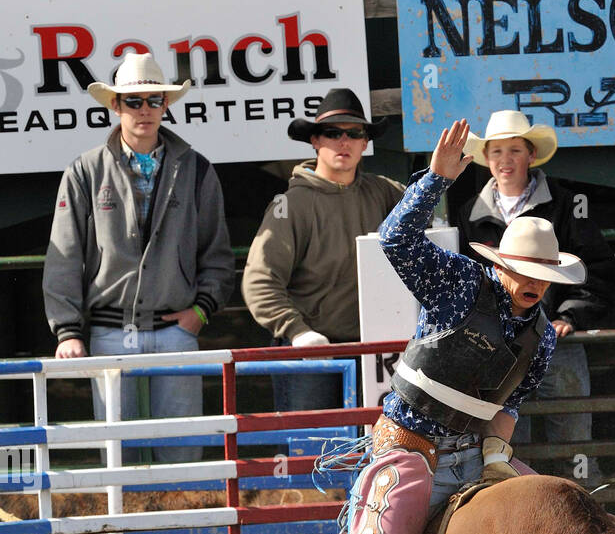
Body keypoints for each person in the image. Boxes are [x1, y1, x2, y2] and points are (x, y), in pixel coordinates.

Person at [300, 120, 580, 534]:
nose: (532, 282)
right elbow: (394, 239)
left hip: (471, 455)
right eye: (524, 269)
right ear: (502, 265)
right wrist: (437, 181)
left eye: (543, 273)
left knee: (564, 520)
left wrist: (494, 455)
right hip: (407, 455)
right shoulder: (457, 284)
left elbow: (509, 407)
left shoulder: (539, 338)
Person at [43, 52, 235, 464]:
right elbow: (63, 256)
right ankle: (123, 532)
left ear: (166, 105)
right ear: (115, 106)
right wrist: (68, 332)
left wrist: (199, 312)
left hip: (176, 331)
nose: (145, 110)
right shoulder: (84, 171)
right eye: (134, 101)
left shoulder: (199, 170)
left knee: (183, 451)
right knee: (118, 457)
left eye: (154, 100)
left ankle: (184, 530)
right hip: (109, 332)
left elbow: (217, 254)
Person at [457, 110, 615, 483]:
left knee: (574, 442)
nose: (505, 160)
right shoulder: (468, 213)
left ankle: (584, 527)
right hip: (496, 347)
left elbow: (595, 265)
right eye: (497, 152)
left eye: (514, 151)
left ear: (530, 155)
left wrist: (571, 315)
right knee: (505, 448)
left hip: (556, 341)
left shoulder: (567, 204)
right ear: (487, 159)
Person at [242, 89, 404, 416]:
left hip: (377, 352)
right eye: (332, 133)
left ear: (365, 143)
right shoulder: (290, 204)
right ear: (315, 141)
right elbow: (259, 281)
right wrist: (297, 332)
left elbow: (431, 235)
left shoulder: (386, 193)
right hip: (312, 353)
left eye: (354, 133)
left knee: (384, 453)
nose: (343, 141)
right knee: (311, 449)